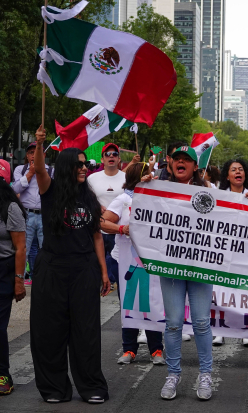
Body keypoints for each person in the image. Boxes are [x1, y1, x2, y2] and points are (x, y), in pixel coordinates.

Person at [30, 126, 110, 404]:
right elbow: (39, 170)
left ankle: (91, 386)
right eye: (78, 165)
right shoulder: (49, 191)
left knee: (86, 330)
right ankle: (54, 389)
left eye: (86, 164)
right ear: (65, 167)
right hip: (52, 269)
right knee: (50, 330)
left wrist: (103, 271)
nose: (84, 168)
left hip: (84, 269)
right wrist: (40, 144)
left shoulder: (88, 197)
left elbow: (97, 235)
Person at [142, 146, 214, 400]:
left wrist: (246, 203)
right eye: (178, 159)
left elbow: (231, 218)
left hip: (201, 266)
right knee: (173, 324)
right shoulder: (158, 188)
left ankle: (205, 374)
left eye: (187, 160)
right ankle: (173, 374)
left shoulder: (209, 191)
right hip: (171, 267)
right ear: (171, 164)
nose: (182, 163)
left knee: (202, 322)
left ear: (195, 167)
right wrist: (144, 188)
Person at [99, 163, 165, 367]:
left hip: (152, 262)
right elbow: (102, 222)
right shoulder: (123, 199)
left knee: (153, 302)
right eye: (147, 174)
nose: (151, 177)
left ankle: (156, 350)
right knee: (129, 303)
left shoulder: (158, 198)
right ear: (138, 177)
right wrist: (121, 228)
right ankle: (129, 348)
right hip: (126, 261)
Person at [214, 159, 248, 347]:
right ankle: (219, 331)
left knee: (244, 292)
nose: (238, 172)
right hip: (223, 251)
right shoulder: (219, 195)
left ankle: (245, 330)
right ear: (227, 175)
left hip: (246, 253)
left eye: (241, 169)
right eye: (233, 170)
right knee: (222, 292)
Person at [0, 165, 27, 396]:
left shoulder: (10, 208)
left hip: (4, 271)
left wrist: (19, 280)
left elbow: (20, 248)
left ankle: (3, 375)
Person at [12, 142, 53, 285]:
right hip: (26, 214)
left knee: (46, 248)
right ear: (27, 156)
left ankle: (45, 279)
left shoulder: (51, 171)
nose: (33, 155)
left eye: (37, 152)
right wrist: (30, 173)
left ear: (44, 155)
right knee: (23, 248)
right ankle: (20, 280)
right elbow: (15, 189)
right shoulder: (20, 170)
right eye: (31, 152)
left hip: (45, 215)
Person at [87, 143, 126, 290]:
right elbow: (86, 200)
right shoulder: (92, 179)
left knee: (118, 270)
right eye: (107, 154)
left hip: (119, 231)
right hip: (97, 230)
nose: (111, 156)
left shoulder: (126, 177)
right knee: (96, 268)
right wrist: (96, 206)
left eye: (114, 154)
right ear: (102, 159)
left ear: (119, 159)